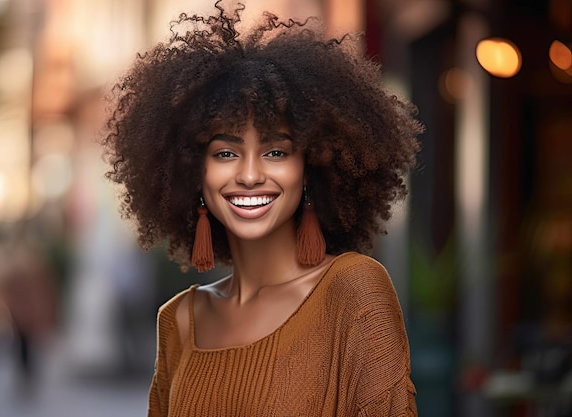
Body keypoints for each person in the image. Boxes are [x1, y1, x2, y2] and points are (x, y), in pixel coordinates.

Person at [100, 1, 423, 416]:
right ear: (190, 173)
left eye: (275, 151)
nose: (250, 175)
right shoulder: (178, 320)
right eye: (225, 153)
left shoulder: (353, 292)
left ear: (311, 167)